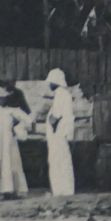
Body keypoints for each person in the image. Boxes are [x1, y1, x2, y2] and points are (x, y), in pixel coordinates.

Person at [43, 69, 76, 197]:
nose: (49, 85)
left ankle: (61, 190)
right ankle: (63, 189)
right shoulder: (63, 94)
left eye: (50, 82)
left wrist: (51, 122)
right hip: (60, 134)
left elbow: (55, 117)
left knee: (58, 161)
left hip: (58, 134)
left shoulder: (61, 95)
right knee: (62, 160)